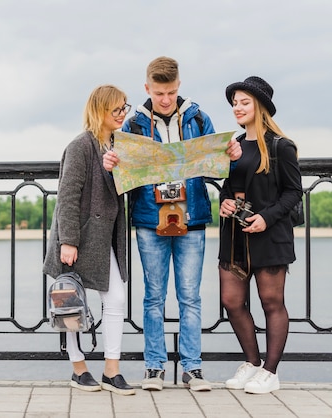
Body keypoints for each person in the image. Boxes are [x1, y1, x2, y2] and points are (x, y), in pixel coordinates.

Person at [102, 56, 242, 392]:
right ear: (147, 88)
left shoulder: (198, 117)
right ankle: (154, 368)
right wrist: (111, 161)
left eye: (171, 92)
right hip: (150, 219)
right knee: (153, 297)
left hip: (192, 218)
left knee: (190, 297)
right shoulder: (133, 124)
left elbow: (215, 167)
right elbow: (124, 172)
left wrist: (230, 156)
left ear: (179, 86)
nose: (165, 99)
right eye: (159, 92)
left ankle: (193, 369)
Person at [43, 84, 134, 396]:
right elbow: (67, 198)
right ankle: (78, 367)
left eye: (125, 108)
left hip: (107, 235)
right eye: (117, 109)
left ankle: (112, 369)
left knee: (116, 298)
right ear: (101, 111)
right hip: (79, 236)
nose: (123, 114)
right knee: (70, 300)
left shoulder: (119, 145)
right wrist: (68, 240)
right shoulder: (80, 146)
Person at [219, 76, 302, 394]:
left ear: (261, 107)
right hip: (235, 236)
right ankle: (252, 364)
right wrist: (225, 201)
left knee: (271, 302)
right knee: (232, 300)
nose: (237, 107)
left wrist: (266, 219)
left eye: (244, 102)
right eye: (235, 103)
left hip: (269, 234)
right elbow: (230, 186)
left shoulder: (282, 146)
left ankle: (270, 371)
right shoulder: (234, 146)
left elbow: (294, 193)